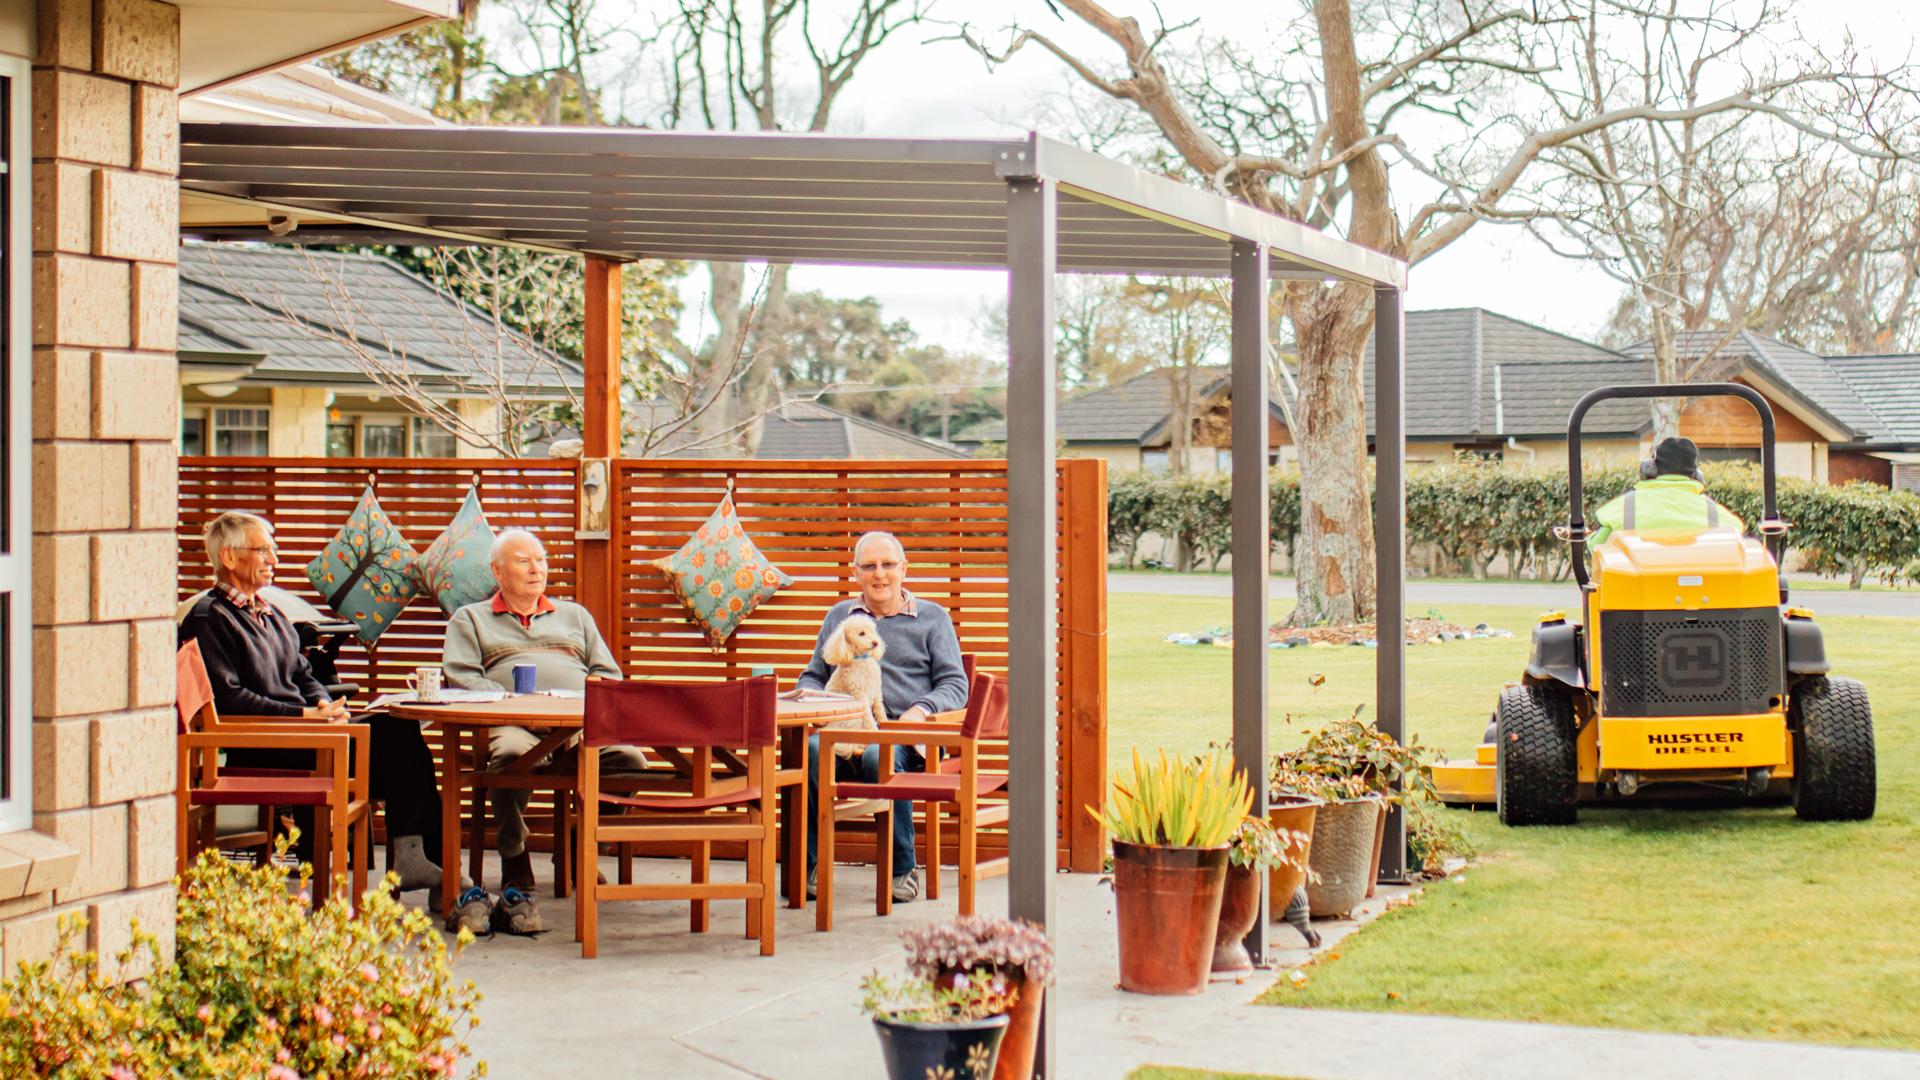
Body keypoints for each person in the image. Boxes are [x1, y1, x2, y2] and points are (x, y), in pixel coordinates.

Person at [178, 512, 445, 892]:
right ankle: (419, 859)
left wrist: (322, 706)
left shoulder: (269, 613)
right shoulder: (209, 618)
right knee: (396, 743)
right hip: (266, 747)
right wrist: (302, 716)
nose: (275, 560)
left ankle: (422, 861)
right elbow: (229, 700)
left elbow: (304, 673)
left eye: (275, 550)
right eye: (263, 551)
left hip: (301, 735)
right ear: (229, 557)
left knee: (399, 735)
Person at [440, 528, 640, 935]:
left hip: (577, 727)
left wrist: (580, 703)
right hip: (514, 723)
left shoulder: (575, 616)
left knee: (631, 761)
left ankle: (581, 843)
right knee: (509, 759)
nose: (537, 569)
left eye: (542, 560)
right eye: (523, 560)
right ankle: (514, 853)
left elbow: (607, 673)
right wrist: (515, 706)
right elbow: (461, 676)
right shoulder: (472, 618)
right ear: (497, 571)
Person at [797, 531, 969, 904]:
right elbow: (812, 674)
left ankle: (901, 869)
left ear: (903, 568)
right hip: (842, 730)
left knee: (880, 756)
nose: (880, 574)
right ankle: (806, 867)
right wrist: (820, 704)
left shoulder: (932, 618)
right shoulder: (840, 618)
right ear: (856, 572)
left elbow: (956, 684)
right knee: (808, 752)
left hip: (903, 734)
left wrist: (920, 711)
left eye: (888, 564)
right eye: (869, 566)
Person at [1589, 436, 1742, 547]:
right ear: (1696, 475)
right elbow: (1737, 540)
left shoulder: (1623, 508)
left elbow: (1595, 546)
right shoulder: (1714, 512)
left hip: (1635, 589)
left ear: (1649, 469)